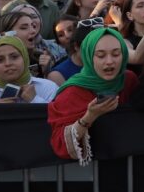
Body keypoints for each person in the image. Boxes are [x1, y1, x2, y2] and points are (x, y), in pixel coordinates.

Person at [47, 27, 133, 163]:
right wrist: (90, 116)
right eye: (101, 55)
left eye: (116, 54)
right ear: (88, 56)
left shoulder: (129, 79)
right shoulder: (72, 92)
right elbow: (61, 144)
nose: (109, 61)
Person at [0, 34, 59, 103]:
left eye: (14, 57)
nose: (8, 63)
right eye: (0, 60)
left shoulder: (48, 88)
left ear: (25, 58)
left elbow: (61, 122)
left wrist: (35, 100)